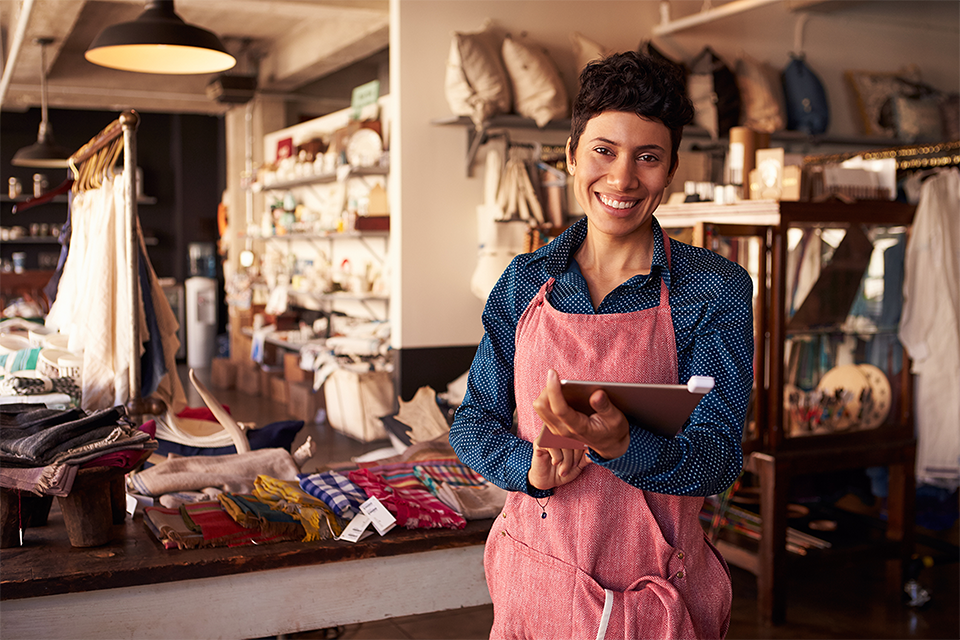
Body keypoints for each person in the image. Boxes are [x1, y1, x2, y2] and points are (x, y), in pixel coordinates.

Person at [449, 50, 754, 640]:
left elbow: (717, 458)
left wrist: (623, 447)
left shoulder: (714, 290)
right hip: (535, 583)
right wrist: (529, 468)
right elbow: (474, 423)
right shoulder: (522, 282)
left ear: (669, 172)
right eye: (603, 151)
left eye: (647, 157)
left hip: (655, 595)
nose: (622, 179)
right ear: (570, 155)